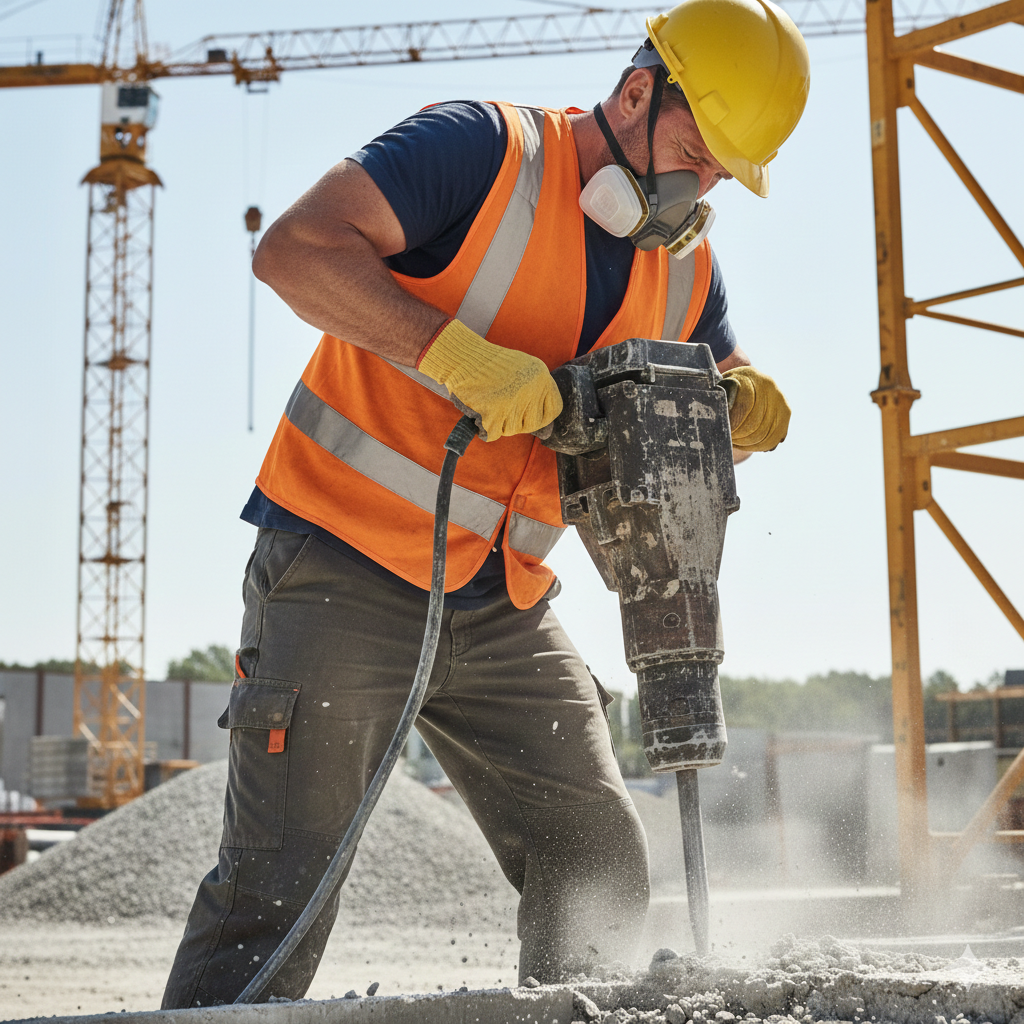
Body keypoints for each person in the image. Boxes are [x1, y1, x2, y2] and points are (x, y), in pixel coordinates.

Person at [162, 0, 810, 1007]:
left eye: (727, 169)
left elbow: (714, 379)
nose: (704, 182)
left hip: (504, 597)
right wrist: (449, 353)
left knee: (591, 849)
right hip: (342, 567)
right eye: (697, 147)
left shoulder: (684, 262)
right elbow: (293, 251)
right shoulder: (482, 151)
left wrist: (746, 398)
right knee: (279, 887)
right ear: (637, 92)